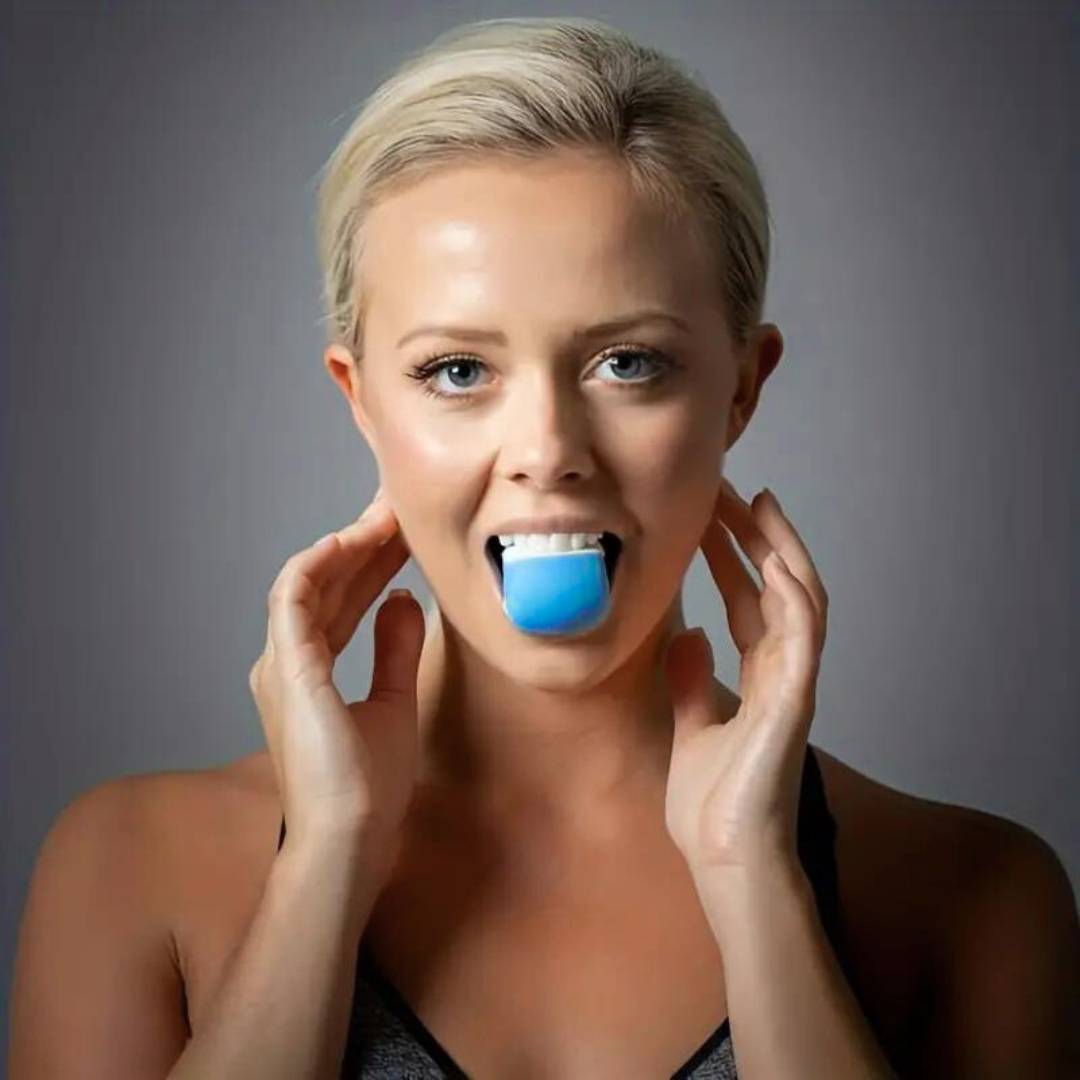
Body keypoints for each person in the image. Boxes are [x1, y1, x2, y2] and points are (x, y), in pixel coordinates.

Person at [9, 15, 1078, 1080]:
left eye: (627, 363)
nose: (549, 453)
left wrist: (756, 875)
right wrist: (325, 861)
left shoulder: (976, 897)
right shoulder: (126, 867)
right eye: (458, 372)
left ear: (742, 387)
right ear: (361, 399)